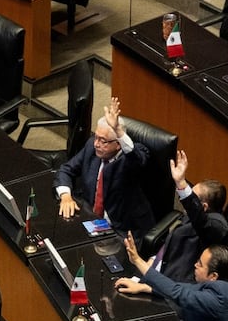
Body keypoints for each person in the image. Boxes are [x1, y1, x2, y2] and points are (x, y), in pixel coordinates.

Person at [54, 97, 155, 238]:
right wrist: (65, 196)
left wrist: (118, 131)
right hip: (91, 219)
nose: (96, 144)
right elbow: (66, 170)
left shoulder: (132, 157)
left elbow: (136, 159)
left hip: (123, 231)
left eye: (103, 141)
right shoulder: (92, 147)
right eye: (96, 137)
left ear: (118, 143)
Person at [152, 150, 228, 284]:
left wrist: (181, 184)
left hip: (175, 284)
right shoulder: (193, 217)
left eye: (193, 197)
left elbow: (201, 222)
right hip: (162, 267)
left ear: (203, 207)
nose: (186, 201)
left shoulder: (216, 226)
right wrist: (153, 262)